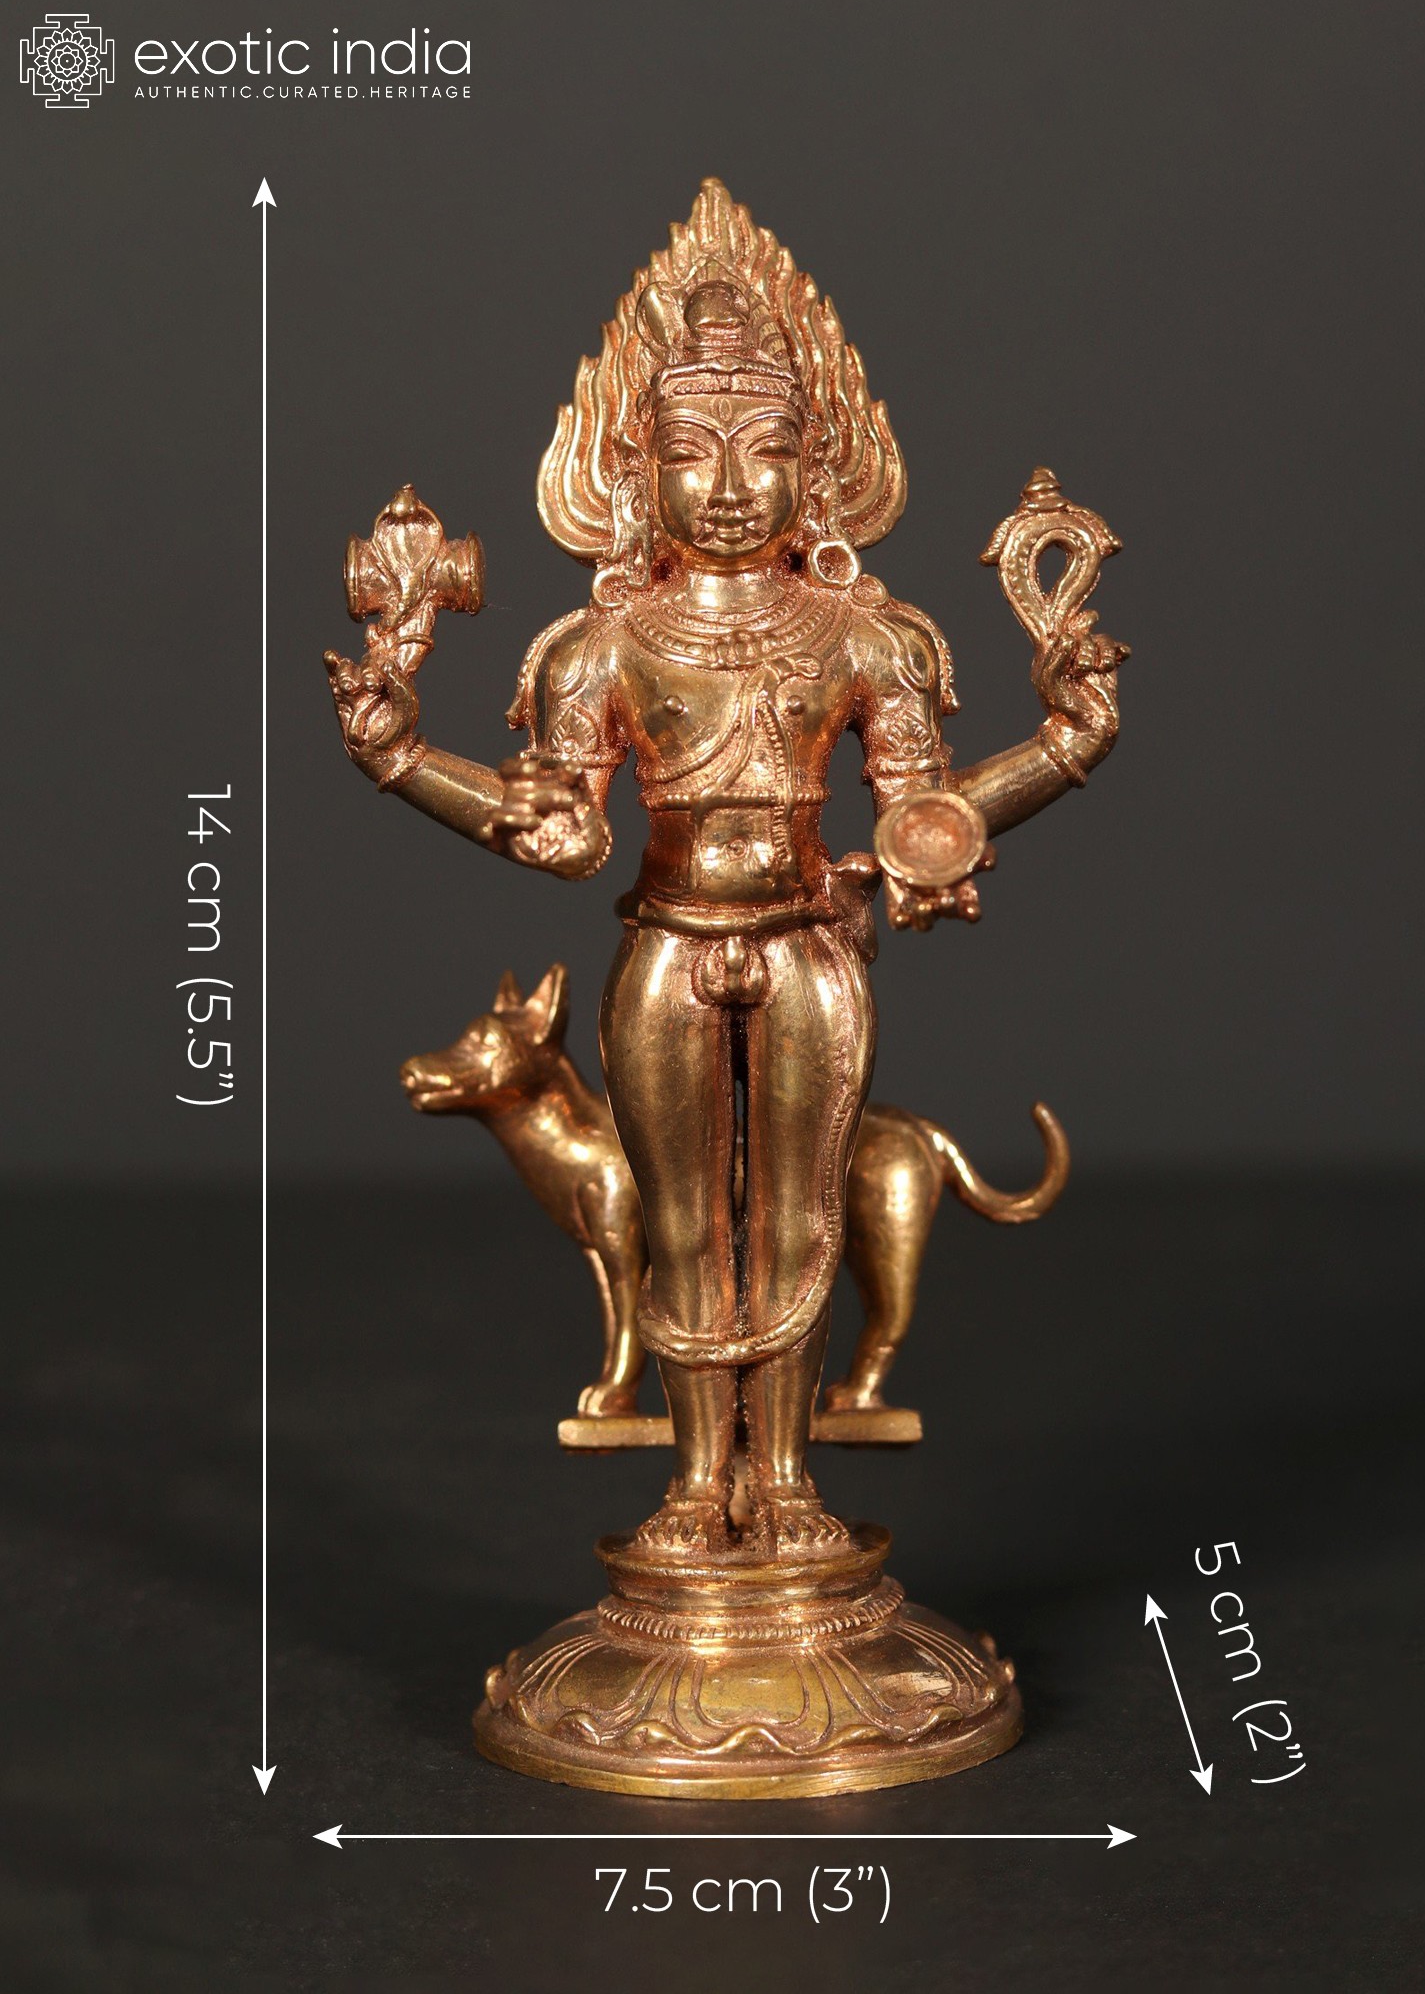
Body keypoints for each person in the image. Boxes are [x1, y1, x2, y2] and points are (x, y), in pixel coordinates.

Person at [323, 180, 1122, 1558]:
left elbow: (926, 822)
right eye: (696, 453)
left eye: (770, 451)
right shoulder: (601, 649)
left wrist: (1066, 742)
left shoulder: (866, 638)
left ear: (822, 470)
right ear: (638, 473)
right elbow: (561, 832)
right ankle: (700, 1485)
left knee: (798, 1218)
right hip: (669, 950)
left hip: (810, 949)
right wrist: (403, 758)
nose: (737, 487)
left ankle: (789, 1486)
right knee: (689, 1221)